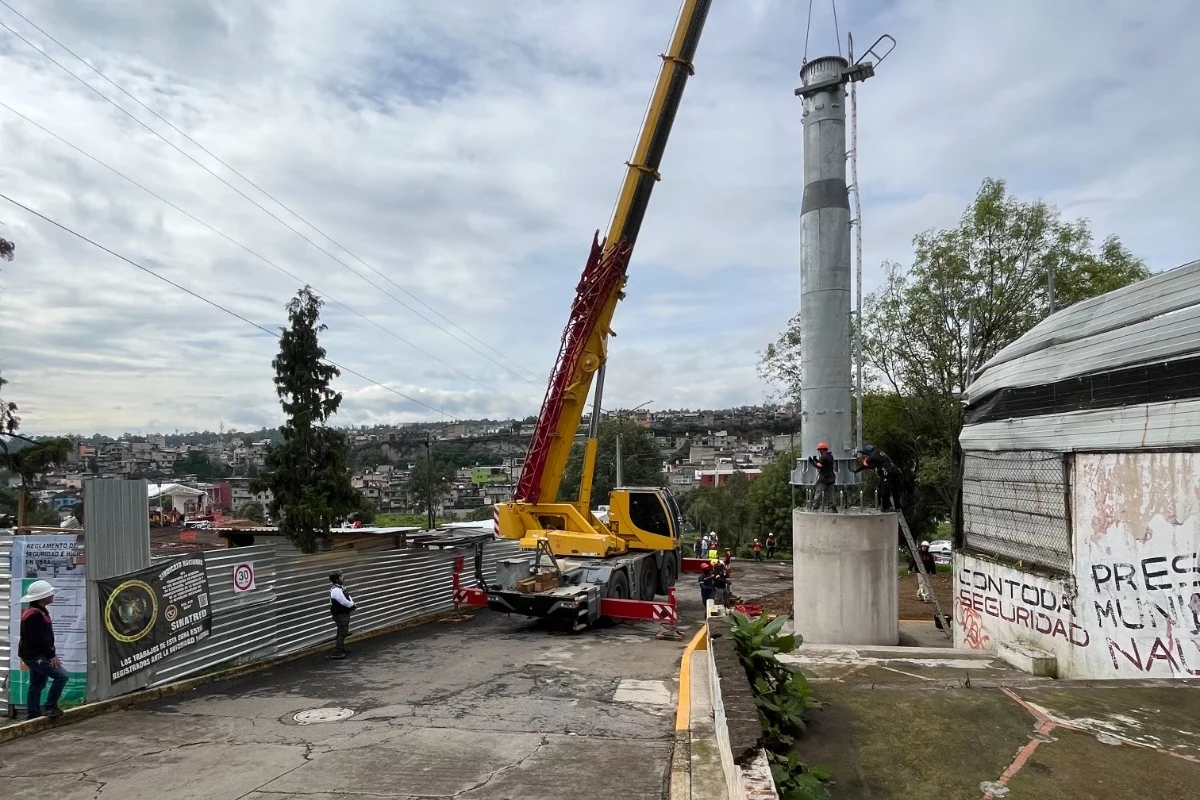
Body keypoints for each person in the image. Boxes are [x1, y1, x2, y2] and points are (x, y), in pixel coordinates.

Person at [18, 579, 68, 719]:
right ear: (42, 598)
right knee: (62, 676)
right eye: (49, 593)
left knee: (37, 683)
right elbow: (40, 639)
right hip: (36, 656)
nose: (52, 595)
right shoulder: (34, 615)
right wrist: (51, 655)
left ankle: (33, 714)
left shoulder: (38, 611)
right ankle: (50, 706)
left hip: (33, 654)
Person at [853, 444, 903, 512]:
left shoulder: (872, 456)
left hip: (887, 473)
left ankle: (886, 507)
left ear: (868, 452)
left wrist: (861, 460)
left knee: (884, 491)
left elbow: (865, 464)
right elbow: (872, 466)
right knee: (895, 491)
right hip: (896, 472)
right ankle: (897, 507)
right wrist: (857, 470)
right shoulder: (879, 453)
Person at [329, 570, 356, 659]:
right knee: (343, 633)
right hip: (340, 614)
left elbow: (347, 597)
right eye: (341, 577)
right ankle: (337, 652)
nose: (343, 578)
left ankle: (341, 648)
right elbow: (343, 601)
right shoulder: (336, 590)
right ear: (336, 579)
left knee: (341, 632)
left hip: (342, 613)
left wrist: (352, 603)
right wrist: (351, 605)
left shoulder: (340, 588)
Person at [808, 442, 838, 512]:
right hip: (831, 478)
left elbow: (819, 466)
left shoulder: (823, 457)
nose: (819, 452)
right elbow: (824, 464)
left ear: (821, 450)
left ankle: (815, 507)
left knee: (818, 492)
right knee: (831, 494)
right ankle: (833, 508)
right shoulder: (830, 456)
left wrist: (812, 462)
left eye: (819, 450)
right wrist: (816, 460)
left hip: (824, 479)